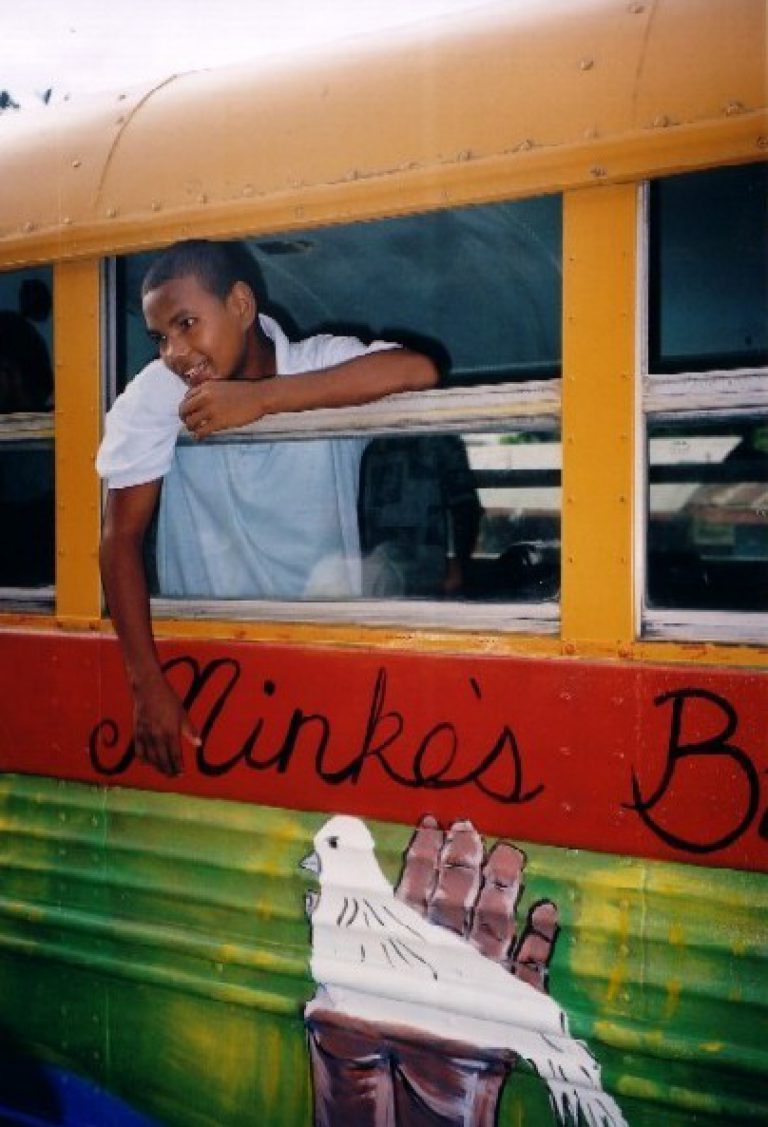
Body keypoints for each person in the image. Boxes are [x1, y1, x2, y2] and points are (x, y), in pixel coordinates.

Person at [97, 238, 438, 777]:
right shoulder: (159, 392)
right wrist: (146, 682)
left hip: (324, 648)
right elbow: (120, 538)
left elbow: (417, 371)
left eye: (187, 323)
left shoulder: (315, 360)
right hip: (205, 659)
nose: (174, 352)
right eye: (160, 337)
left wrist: (264, 400)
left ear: (240, 305)